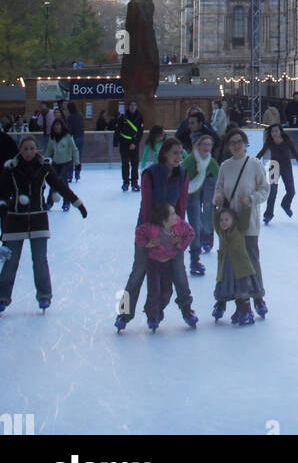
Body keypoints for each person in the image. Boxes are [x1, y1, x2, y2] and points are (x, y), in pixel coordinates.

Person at [115, 137, 196, 331]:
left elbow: (181, 205)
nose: (179, 156)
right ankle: (124, 313)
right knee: (138, 271)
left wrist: (178, 231)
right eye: (175, 153)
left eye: (181, 152)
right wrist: (150, 235)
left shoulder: (183, 174)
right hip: (148, 229)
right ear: (164, 154)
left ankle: (186, 309)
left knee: (178, 271)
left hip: (172, 229)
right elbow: (146, 206)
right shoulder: (150, 174)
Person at [0, 136, 87, 311]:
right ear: (20, 149)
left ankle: (44, 296)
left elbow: (60, 185)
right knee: (11, 261)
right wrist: (3, 206)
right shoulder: (11, 168)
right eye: (25, 149)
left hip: (38, 220)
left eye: (32, 149)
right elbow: (2, 191)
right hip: (15, 220)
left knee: (40, 260)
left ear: (37, 150)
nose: (29, 152)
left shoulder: (44, 167)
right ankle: (2, 298)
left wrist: (77, 203)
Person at [213, 130, 270, 319]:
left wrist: (252, 199)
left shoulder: (254, 165)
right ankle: (231, 298)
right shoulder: (225, 166)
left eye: (239, 142)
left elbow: (265, 189)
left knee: (251, 260)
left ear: (245, 143)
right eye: (232, 143)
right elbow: (218, 188)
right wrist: (218, 198)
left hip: (249, 223)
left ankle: (257, 296)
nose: (236, 146)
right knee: (230, 262)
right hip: (229, 224)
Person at [134, 202, 196, 330]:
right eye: (173, 214)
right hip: (154, 264)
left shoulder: (179, 225)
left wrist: (181, 244)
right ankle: (152, 316)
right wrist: (147, 244)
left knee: (167, 292)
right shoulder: (152, 228)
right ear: (164, 220)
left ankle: (157, 310)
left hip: (168, 263)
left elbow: (191, 233)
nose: (176, 216)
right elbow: (139, 232)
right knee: (154, 291)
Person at [212, 200, 261, 325]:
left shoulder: (239, 230)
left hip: (241, 269)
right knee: (227, 287)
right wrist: (216, 210)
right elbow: (215, 222)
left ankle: (246, 311)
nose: (223, 222)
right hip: (226, 268)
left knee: (242, 289)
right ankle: (221, 304)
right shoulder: (221, 232)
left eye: (226, 220)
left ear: (233, 220)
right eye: (222, 220)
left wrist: (246, 206)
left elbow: (244, 219)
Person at [185, 135, 219, 274]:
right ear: (198, 146)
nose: (206, 147)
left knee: (195, 226)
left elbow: (220, 176)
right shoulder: (191, 159)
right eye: (204, 144)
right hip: (181, 195)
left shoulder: (209, 161)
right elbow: (178, 174)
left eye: (209, 145)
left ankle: (194, 261)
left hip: (194, 196)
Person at [258, 123, 298, 224]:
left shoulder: (286, 140)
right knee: (272, 191)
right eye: (272, 131)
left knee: (291, 191)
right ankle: (268, 215)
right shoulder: (269, 141)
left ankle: (285, 204)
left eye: (276, 131)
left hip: (286, 166)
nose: (274, 133)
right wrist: (253, 161)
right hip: (274, 166)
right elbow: (262, 152)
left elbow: (294, 152)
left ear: (280, 131)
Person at [44, 119, 80, 211]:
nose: (56, 127)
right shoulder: (52, 137)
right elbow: (49, 150)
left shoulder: (68, 136)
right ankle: (49, 202)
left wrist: (77, 163)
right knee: (54, 182)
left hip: (66, 163)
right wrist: (44, 161)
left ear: (62, 126)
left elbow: (74, 149)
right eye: (55, 125)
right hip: (55, 163)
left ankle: (66, 202)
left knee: (61, 181)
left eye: (58, 125)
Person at [116, 101, 144, 192]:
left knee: (135, 163)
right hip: (124, 143)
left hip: (134, 143)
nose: (132, 107)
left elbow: (140, 132)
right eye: (131, 105)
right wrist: (116, 142)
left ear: (136, 107)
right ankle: (125, 182)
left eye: (134, 105)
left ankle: (134, 183)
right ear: (128, 107)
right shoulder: (123, 117)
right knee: (125, 163)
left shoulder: (140, 118)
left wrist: (135, 143)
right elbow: (118, 130)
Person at [65, 102, 85, 182]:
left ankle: (70, 175)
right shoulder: (80, 115)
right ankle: (77, 174)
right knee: (79, 157)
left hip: (73, 138)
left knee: (71, 157)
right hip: (81, 138)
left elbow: (69, 129)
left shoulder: (70, 117)